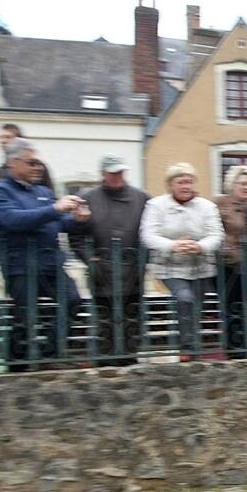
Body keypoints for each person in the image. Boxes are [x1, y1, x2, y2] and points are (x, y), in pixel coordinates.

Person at [0, 139, 88, 367]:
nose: (37, 168)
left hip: (50, 262)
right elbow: (13, 220)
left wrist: (77, 219)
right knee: (25, 317)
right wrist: (54, 209)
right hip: (20, 265)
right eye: (31, 163)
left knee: (73, 301)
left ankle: (49, 353)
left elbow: (59, 223)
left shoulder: (43, 191)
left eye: (39, 163)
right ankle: (17, 363)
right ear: (13, 163)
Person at [70, 155, 149, 366]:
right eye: (112, 173)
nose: (116, 177)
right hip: (101, 272)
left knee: (132, 318)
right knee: (104, 319)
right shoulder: (87, 198)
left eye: (120, 172)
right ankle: (105, 362)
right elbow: (75, 236)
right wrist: (90, 259)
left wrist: (143, 261)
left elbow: (149, 233)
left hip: (133, 270)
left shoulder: (142, 199)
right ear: (103, 174)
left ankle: (130, 360)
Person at [140, 163, 223, 360]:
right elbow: (148, 235)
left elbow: (216, 234)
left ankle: (192, 347)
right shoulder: (156, 205)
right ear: (170, 185)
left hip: (200, 265)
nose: (185, 186)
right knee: (184, 298)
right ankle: (187, 347)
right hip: (169, 265)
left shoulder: (207, 207)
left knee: (196, 306)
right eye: (180, 182)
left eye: (189, 182)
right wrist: (172, 245)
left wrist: (201, 246)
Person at [213, 166, 247, 357]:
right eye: (243, 183)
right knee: (230, 304)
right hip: (226, 264)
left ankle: (242, 345)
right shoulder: (219, 204)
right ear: (232, 184)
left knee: (244, 304)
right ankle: (234, 347)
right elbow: (213, 230)